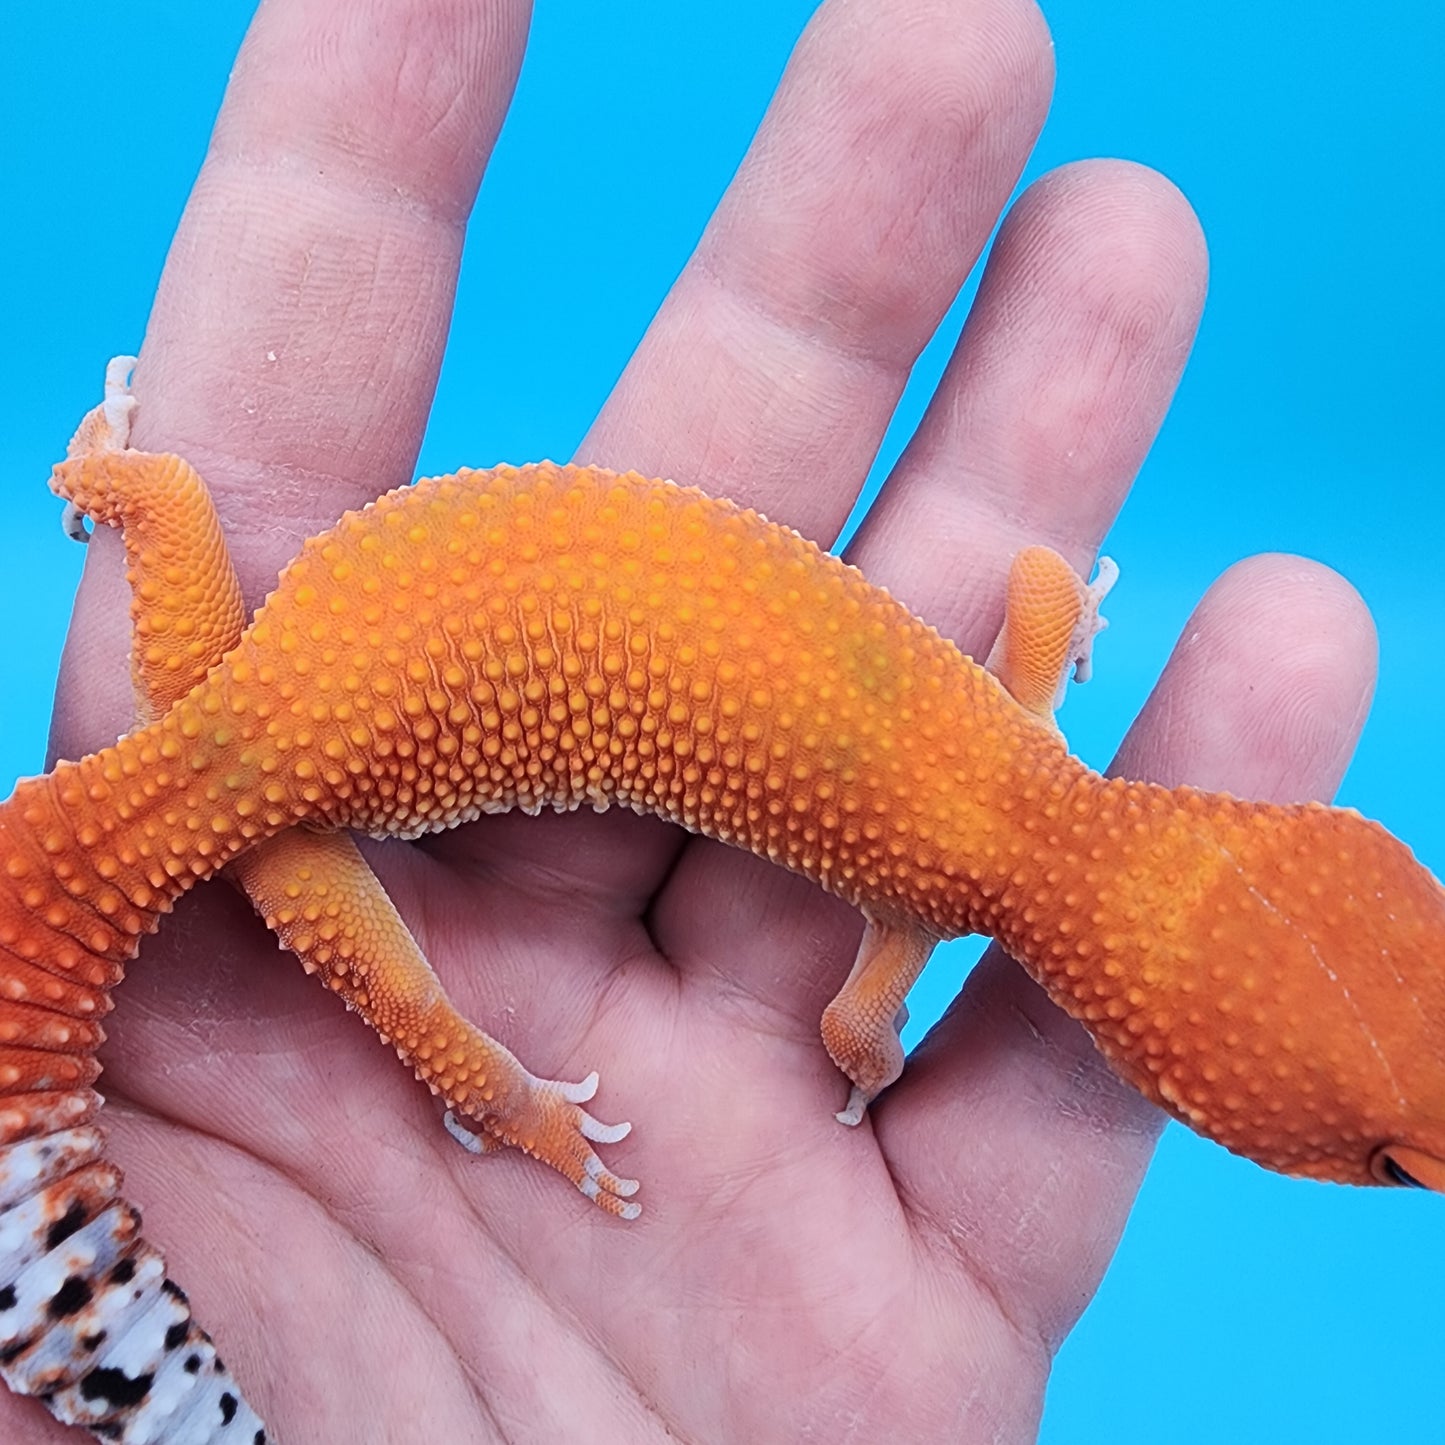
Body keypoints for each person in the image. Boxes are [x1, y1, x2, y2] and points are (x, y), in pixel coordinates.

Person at [25, 0, 1375, 1439]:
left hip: (250, 681)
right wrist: (862, 1068)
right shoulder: (927, 889)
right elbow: (855, 1024)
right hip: (276, 801)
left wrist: (113, 476)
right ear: (1150, 1046)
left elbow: (1043, 589)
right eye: (1382, 1163)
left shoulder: (1016, 716)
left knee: (164, 491)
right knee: (419, 1010)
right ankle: (503, 1110)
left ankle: (94, 471)